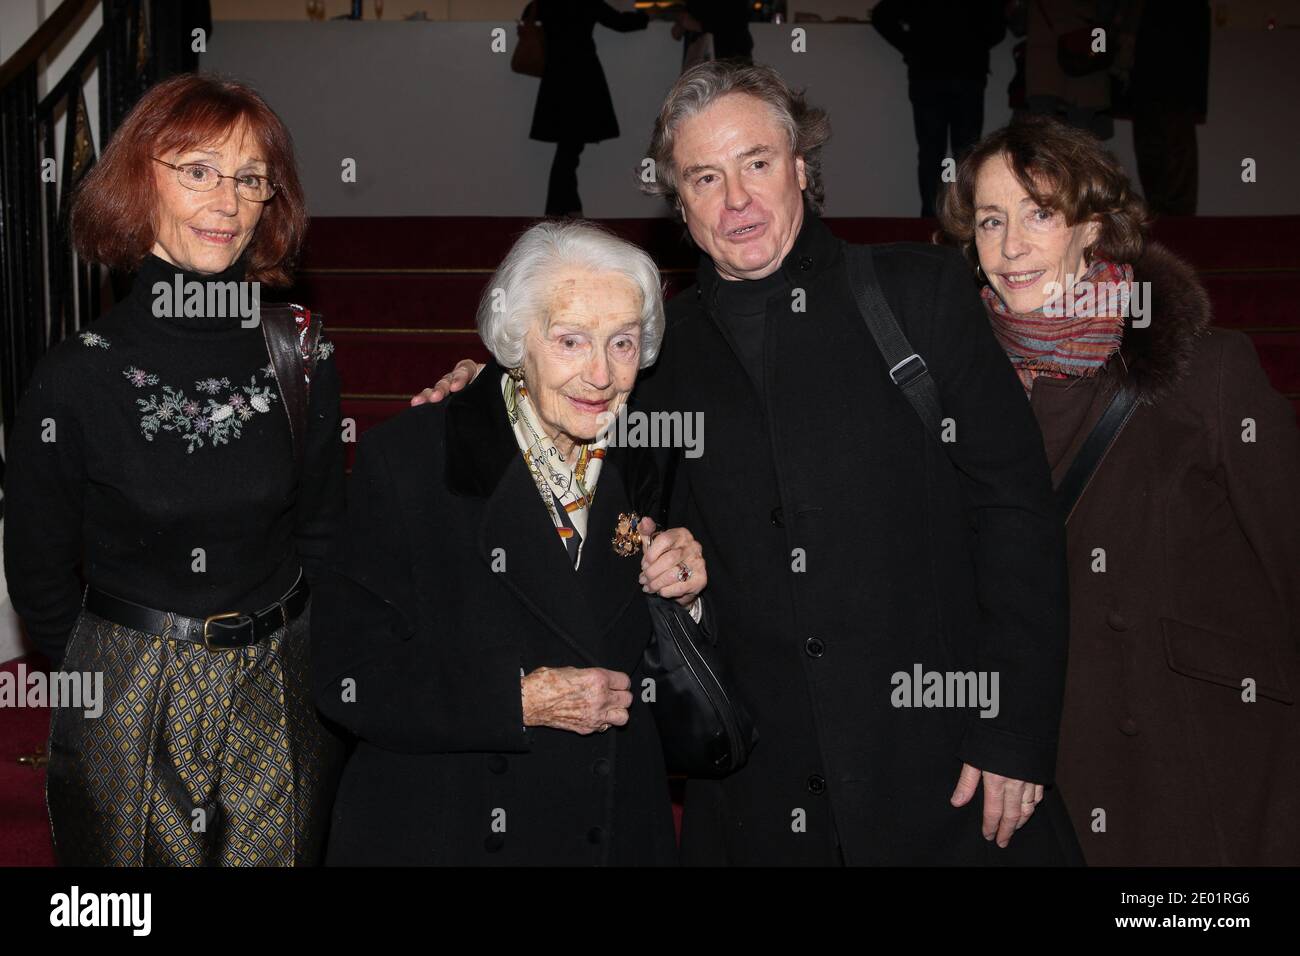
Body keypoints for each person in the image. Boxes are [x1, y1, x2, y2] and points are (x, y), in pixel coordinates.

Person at [416, 61, 1081, 866]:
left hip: (944, 777)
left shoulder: (918, 297)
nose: (736, 200)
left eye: (757, 164)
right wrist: (490, 390)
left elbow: (1017, 519)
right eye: (705, 177)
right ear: (680, 203)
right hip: (758, 796)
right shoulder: (655, 355)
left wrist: (1011, 731)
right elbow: (570, 432)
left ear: (802, 168)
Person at [936, 115, 1300, 865]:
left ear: (1092, 226)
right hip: (1052, 756)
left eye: (1041, 214)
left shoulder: (1210, 372)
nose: (1010, 248)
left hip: (1204, 756)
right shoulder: (955, 390)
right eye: (992, 221)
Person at [2, 74, 345, 865]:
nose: (227, 200)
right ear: (137, 180)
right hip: (131, 692)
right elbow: (40, 573)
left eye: (251, 177)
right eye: (198, 170)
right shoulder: (77, 375)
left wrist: (304, 663)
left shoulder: (299, 351)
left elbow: (325, 533)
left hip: (280, 685)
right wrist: (110, 681)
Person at [312, 220, 707, 865]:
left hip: (609, 830)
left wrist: (686, 599)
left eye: (624, 344)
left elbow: (666, 670)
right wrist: (515, 700)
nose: (601, 375)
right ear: (517, 340)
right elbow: (348, 677)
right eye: (570, 340)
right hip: (451, 826)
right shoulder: (412, 461)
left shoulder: (650, 454)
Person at [871, 0, 1006, 216]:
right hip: (963, 73)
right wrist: (973, 43)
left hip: (931, 74)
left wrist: (912, 47)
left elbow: (881, 16)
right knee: (964, 151)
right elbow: (998, 26)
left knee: (935, 153)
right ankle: (960, 216)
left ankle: (934, 217)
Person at [529, 0, 650, 217]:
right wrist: (648, 14)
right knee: (569, 152)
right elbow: (620, 22)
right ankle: (561, 212)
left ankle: (562, 211)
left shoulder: (545, 4)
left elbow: (529, 12)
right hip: (582, 80)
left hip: (557, 80)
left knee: (567, 151)